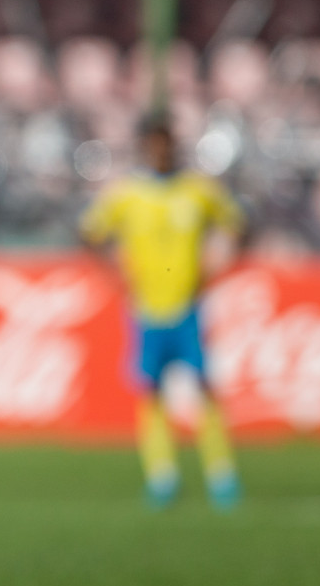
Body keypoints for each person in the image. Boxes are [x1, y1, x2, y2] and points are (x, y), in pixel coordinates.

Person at [80, 115, 246, 509]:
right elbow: (89, 233)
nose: (160, 150)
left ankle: (222, 476)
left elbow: (237, 225)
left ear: (174, 144)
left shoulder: (198, 190)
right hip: (145, 309)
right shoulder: (125, 194)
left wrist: (218, 265)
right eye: (153, 143)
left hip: (189, 306)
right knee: (150, 393)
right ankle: (162, 477)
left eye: (165, 142)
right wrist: (115, 276)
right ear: (143, 147)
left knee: (204, 390)